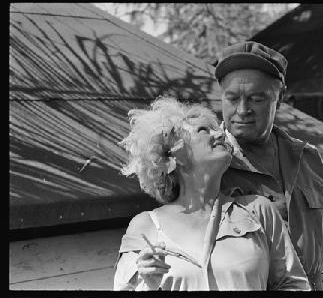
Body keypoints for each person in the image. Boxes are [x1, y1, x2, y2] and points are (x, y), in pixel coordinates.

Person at [113, 97, 311, 291]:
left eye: (216, 129)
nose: (220, 134)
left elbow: (294, 285)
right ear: (172, 155)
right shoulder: (145, 226)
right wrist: (147, 285)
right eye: (203, 130)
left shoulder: (258, 211)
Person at [215, 41, 323, 290]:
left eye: (256, 98)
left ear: (280, 98)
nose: (242, 110)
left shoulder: (308, 160)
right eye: (232, 98)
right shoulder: (206, 162)